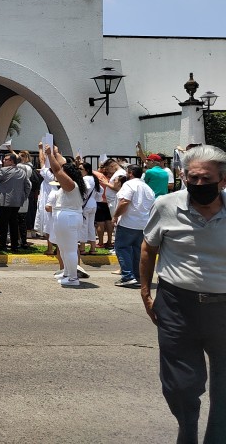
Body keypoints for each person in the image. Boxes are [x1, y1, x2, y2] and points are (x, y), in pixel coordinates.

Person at [140, 144, 226, 444]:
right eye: (193, 178)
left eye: (206, 179)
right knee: (180, 386)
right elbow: (148, 249)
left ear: (223, 180)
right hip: (178, 306)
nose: (199, 185)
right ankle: (187, 431)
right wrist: (146, 293)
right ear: (183, 177)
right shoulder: (166, 205)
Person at [45, 146, 86, 287]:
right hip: (65, 217)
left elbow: (57, 170)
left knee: (69, 249)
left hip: (68, 217)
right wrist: (56, 153)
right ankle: (68, 273)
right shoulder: (72, 184)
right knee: (63, 248)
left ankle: (73, 278)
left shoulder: (71, 185)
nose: (60, 174)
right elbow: (61, 166)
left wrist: (50, 155)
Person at [112, 164, 155, 287]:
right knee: (137, 250)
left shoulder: (129, 185)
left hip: (128, 222)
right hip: (143, 223)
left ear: (130, 173)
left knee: (122, 248)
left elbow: (124, 201)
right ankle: (137, 275)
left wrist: (115, 216)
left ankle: (127, 276)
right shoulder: (147, 187)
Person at [0, 153, 31, 252]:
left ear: (11, 161)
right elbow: (27, 187)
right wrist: (23, 197)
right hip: (16, 202)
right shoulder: (22, 172)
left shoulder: (3, 170)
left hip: (5, 201)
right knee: (13, 223)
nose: (4, 161)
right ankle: (14, 246)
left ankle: (3, 245)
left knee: (3, 224)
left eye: (6, 159)